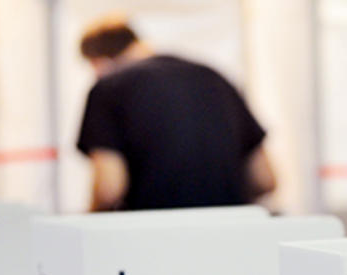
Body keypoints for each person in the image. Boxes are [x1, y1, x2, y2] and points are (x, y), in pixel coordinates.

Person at [76, 16, 276, 211]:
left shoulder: (108, 88)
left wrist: (89, 219)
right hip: (233, 231)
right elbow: (265, 180)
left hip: (153, 234)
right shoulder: (216, 79)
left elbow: (109, 189)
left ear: (98, 63)